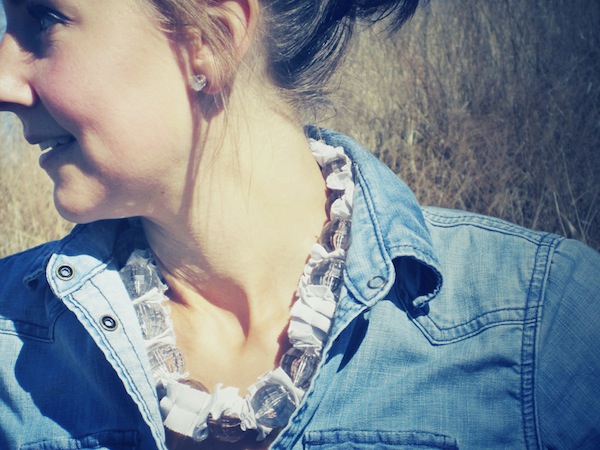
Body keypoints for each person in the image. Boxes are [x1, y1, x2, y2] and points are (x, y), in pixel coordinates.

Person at [1, 0, 599, 449]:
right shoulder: (10, 341)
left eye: (44, 19)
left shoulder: (538, 327)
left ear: (211, 37)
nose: (3, 82)